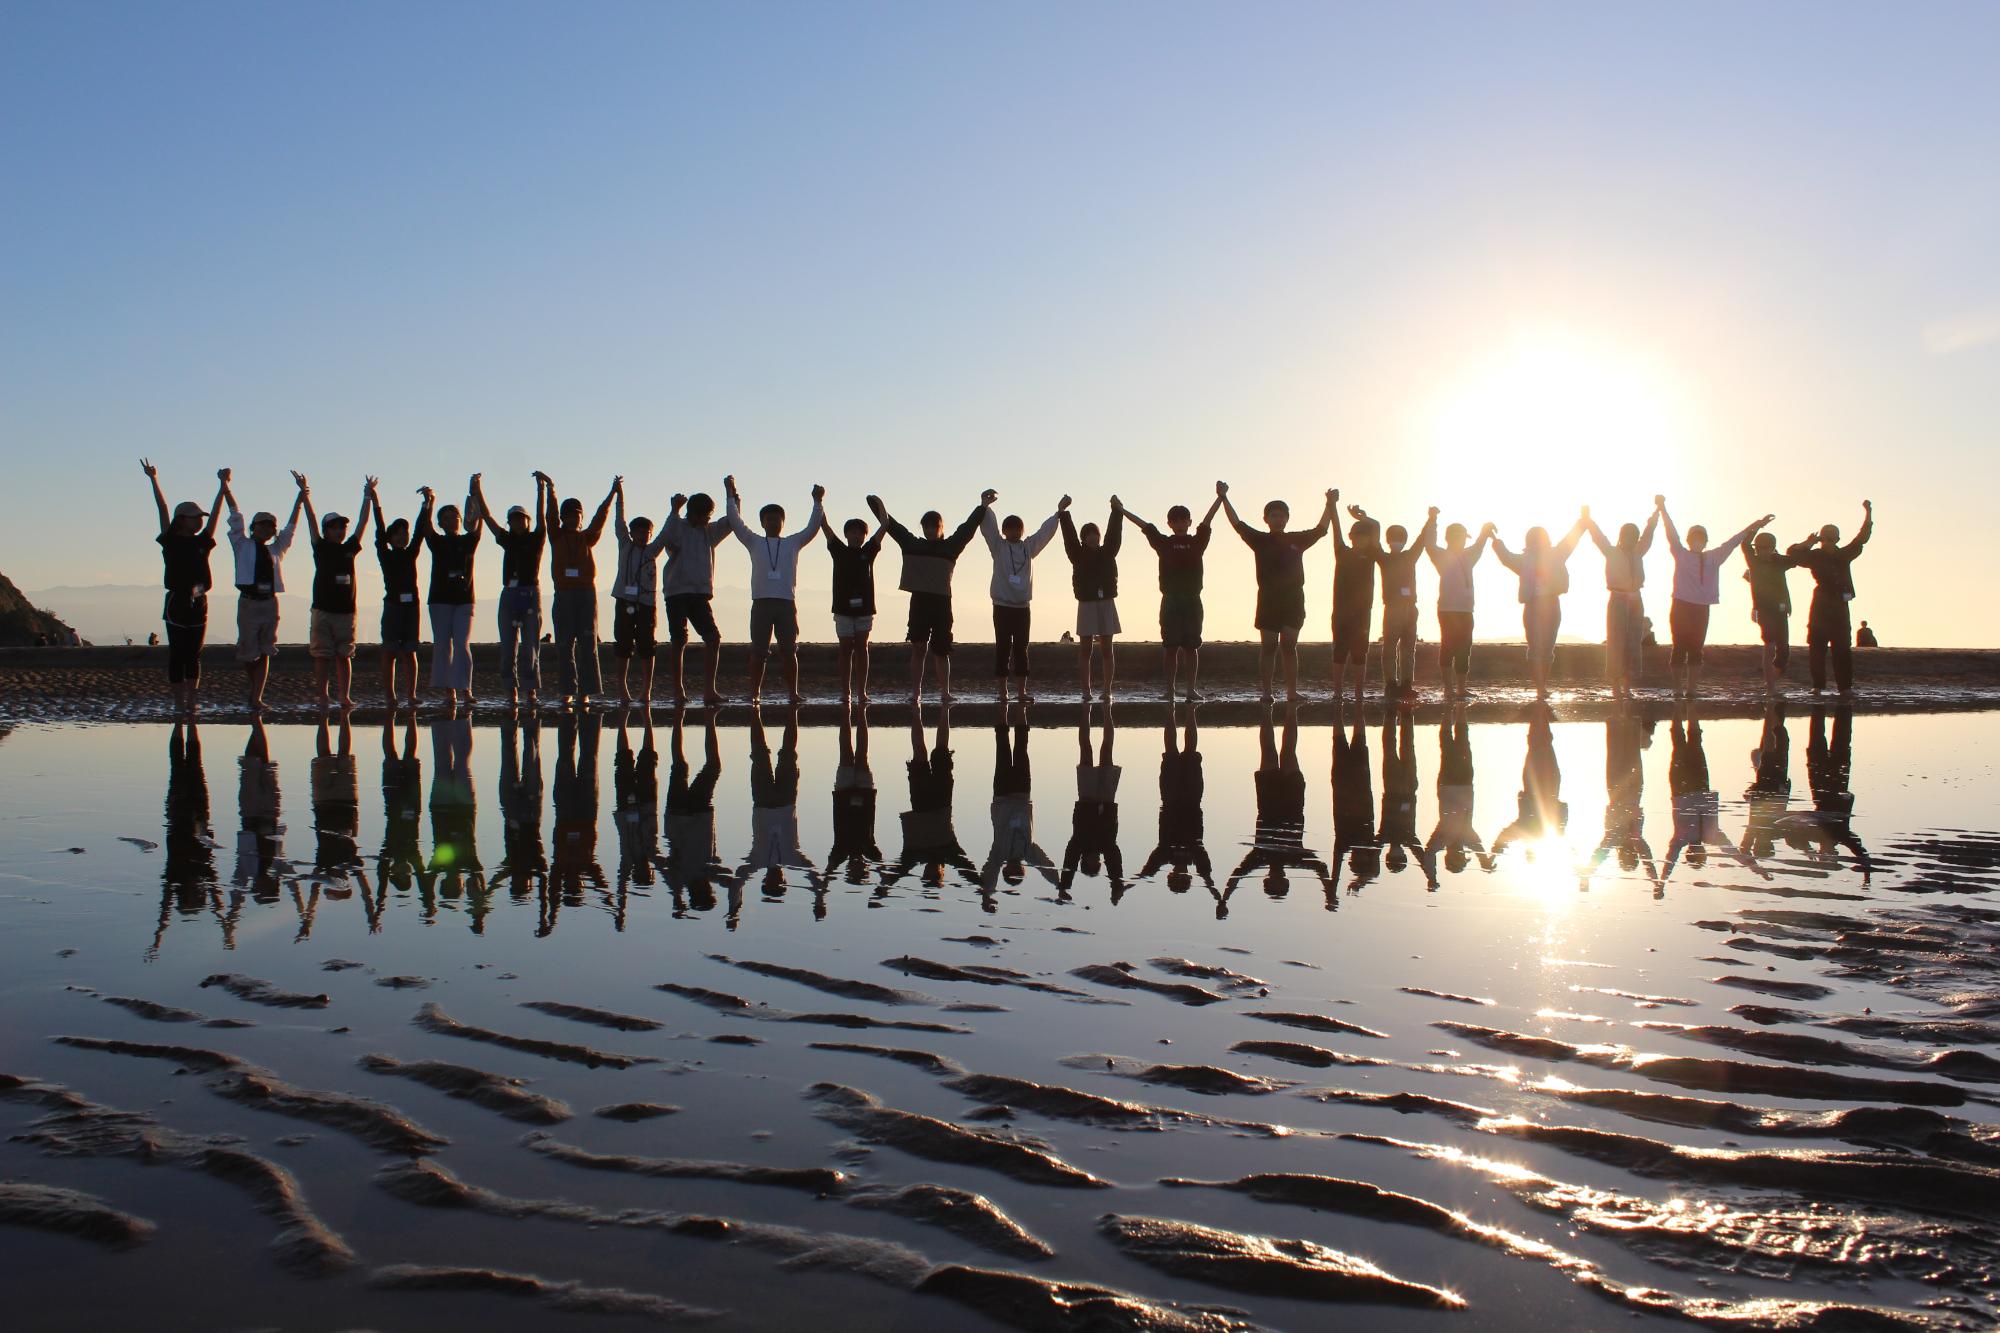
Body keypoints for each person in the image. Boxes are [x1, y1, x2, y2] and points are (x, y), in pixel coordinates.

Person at [868, 490, 992, 704]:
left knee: (941, 650)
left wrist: (982, 505)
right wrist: (876, 503)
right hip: (919, 602)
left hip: (942, 603)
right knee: (918, 647)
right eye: (927, 527)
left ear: (940, 528)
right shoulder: (912, 544)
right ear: (923, 528)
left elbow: (967, 529)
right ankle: (916, 693)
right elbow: (892, 526)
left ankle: (945, 692)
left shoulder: (950, 547)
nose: (930, 530)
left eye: (934, 527)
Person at [1219, 482, 1336, 703]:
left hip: (1293, 600)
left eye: (1282, 516)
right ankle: (1267, 692)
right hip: (1268, 600)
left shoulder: (1296, 540)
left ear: (1287, 518)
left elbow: (1321, 529)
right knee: (1269, 647)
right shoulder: (1259, 540)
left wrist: (1329, 504)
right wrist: (1224, 498)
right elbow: (1237, 523)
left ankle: (1292, 691)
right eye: (1273, 515)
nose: (1278, 519)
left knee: (1289, 647)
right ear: (1266, 519)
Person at [1658, 497, 1772, 700]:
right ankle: (1677, 689)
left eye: (1701, 538)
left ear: (1706, 541)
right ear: (1688, 539)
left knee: (1696, 650)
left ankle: (1691, 689)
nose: (1697, 541)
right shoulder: (1681, 554)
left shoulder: (1715, 557)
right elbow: (1670, 532)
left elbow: (1735, 540)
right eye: (1694, 537)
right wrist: (1662, 508)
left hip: (1702, 608)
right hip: (1681, 605)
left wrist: (1757, 525)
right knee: (1679, 647)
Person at [725, 475, 825, 706]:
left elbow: (812, 528)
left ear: (783, 521)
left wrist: (818, 502)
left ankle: (793, 693)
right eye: (768, 519)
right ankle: (754, 693)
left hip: (786, 603)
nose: (772, 523)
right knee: (758, 651)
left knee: (789, 651)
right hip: (761, 603)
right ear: (762, 522)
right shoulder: (753, 541)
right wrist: (730, 494)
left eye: (777, 519)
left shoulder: (792, 542)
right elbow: (735, 521)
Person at [1225, 705, 1333, 909]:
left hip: (1269, 799)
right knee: (1288, 750)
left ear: (1265, 880)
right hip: (1293, 800)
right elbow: (1321, 868)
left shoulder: (1259, 856)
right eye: (1280, 883)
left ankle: (1267, 710)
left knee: (1268, 750)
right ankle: (1292, 709)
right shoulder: (1296, 858)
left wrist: (1225, 899)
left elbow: (1237, 874)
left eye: (1272, 882)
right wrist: (1328, 892)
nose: (1276, 878)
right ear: (1286, 881)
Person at [142, 459, 226, 715]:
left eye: (200, 518)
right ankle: (179, 701)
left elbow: (216, 517)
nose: (199, 521)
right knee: (177, 653)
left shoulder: (203, 541)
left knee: (194, 654)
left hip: (200, 600)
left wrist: (222, 487)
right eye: (194, 518)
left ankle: (192, 700)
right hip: (177, 600)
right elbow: (162, 507)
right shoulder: (170, 540)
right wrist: (154, 479)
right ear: (182, 520)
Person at [220, 469, 306, 712]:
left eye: (270, 527)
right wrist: (226, 487)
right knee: (249, 652)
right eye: (262, 526)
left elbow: (291, 528)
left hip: (269, 603)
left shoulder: (276, 550)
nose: (267, 530)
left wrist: (300, 498)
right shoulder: (242, 545)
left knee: (266, 649)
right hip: (248, 602)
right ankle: (254, 688)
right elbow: (235, 516)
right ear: (254, 527)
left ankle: (257, 695)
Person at [1124, 494, 1223, 701]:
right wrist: (1121, 509)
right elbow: (1145, 526)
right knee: (1170, 647)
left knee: (1191, 647)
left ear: (1189, 522)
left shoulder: (1197, 541)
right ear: (1169, 524)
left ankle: (1190, 690)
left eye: (1183, 520)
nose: (1179, 524)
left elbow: (1208, 520)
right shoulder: (1163, 543)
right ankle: (1169, 690)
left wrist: (1220, 497)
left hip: (1192, 600)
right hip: (1170, 600)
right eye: (1175, 520)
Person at [1491, 511, 1590, 701]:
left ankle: (1542, 685)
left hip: (1551, 603)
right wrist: (1494, 539)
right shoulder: (1524, 560)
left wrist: (1582, 522)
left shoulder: (1555, 555)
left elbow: (1571, 540)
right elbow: (1505, 557)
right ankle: (1540, 687)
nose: (1538, 543)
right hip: (1534, 605)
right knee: (1536, 647)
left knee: (1547, 648)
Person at [979, 494, 1066, 703]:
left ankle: (1021, 692)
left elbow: (1044, 533)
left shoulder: (1028, 548)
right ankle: (1002, 692)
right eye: (1009, 528)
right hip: (1001, 606)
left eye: (1017, 529)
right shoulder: (998, 547)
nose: (1013, 532)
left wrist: (1059, 512)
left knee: (1021, 648)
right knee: (1002, 647)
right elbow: (988, 529)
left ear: (1021, 530)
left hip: (1022, 607)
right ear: (1004, 530)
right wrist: (984, 506)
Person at [543, 472, 619, 709]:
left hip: (586, 594)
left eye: (577, 516)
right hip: (564, 594)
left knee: (588, 644)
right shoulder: (556, 536)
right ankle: (566, 690)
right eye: (569, 515)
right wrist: (550, 490)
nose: (573, 519)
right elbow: (550, 516)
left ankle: (585, 692)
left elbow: (600, 516)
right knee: (564, 645)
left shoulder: (588, 538)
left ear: (581, 518)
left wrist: (613, 493)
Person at [299, 474, 374, 713]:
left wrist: (367, 497)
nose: (341, 530)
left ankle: (344, 696)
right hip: (322, 609)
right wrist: (304, 494)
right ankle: (323, 696)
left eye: (342, 526)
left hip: (346, 611)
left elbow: (362, 524)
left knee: (345, 656)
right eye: (336, 527)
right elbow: (310, 520)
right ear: (327, 530)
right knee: (322, 656)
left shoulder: (350, 548)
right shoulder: (320, 547)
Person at [881, 709, 979, 890]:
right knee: (941, 750)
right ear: (942, 874)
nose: (930, 873)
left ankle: (915, 710)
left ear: (924, 873)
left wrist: (883, 889)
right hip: (942, 797)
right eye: (935, 877)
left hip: (920, 798)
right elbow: (967, 871)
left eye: (927, 876)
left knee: (919, 752)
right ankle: (944, 707)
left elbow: (899, 871)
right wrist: (983, 891)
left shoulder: (915, 855)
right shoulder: (950, 854)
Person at [473, 473, 548, 708]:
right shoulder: (506, 539)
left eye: (520, 519)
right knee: (508, 647)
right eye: (513, 519)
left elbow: (541, 517)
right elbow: (487, 517)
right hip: (508, 594)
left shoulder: (536, 538)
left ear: (526, 521)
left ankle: (530, 690)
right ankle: (510, 690)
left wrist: (541, 490)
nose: (517, 522)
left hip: (530, 593)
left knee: (530, 647)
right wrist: (477, 490)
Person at [1787, 502, 1873, 697]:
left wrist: (1868, 513)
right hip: (1820, 605)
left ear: (1837, 538)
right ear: (1821, 539)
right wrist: (1809, 542)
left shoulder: (1844, 555)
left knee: (1842, 647)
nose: (1829, 540)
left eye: (1832, 537)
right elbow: (1792, 553)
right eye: (1825, 537)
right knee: (1817, 647)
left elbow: (1862, 538)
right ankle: (1817, 686)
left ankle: (1845, 687)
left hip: (1840, 605)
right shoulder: (1814, 556)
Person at [413, 477, 484, 711]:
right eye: (446, 518)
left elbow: (479, 517)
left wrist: (475, 492)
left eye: (455, 517)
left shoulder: (469, 541)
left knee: (462, 644)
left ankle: (466, 690)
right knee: (443, 644)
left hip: (465, 600)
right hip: (440, 600)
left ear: (461, 520)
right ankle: (449, 692)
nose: (451, 520)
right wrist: (429, 502)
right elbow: (425, 528)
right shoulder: (437, 542)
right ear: (441, 523)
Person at [660, 488, 733, 706]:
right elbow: (667, 539)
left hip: (699, 594)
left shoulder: (708, 532)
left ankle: (709, 690)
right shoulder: (678, 527)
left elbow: (731, 521)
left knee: (713, 638)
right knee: (679, 640)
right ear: (693, 513)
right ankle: (678, 691)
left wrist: (731, 494)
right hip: (676, 592)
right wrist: (674, 511)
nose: (707, 519)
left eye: (709, 516)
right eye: (704, 515)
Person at [980, 710, 1057, 906]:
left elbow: (990, 871)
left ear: (1005, 870)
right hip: (1022, 794)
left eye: (1010, 873)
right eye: (1018, 873)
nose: (1014, 870)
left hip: (1002, 794)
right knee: (1021, 748)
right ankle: (1021, 709)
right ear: (1023, 870)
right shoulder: (1029, 852)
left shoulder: (999, 853)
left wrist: (987, 895)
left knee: (1002, 747)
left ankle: (1002, 705)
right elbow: (1045, 866)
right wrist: (1060, 885)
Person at [1584, 505, 1658, 704]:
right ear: (1621, 536)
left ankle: (1627, 687)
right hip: (1617, 598)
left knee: (1633, 642)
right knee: (1616, 641)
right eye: (1628, 536)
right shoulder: (1611, 551)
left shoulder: (1638, 552)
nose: (1631, 540)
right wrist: (1588, 520)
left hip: (1635, 599)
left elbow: (1648, 536)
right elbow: (1598, 537)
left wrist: (1656, 514)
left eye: (1634, 536)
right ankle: (1615, 687)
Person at [1138, 706, 1213, 896]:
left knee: (1171, 751)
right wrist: (1218, 898)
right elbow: (1207, 878)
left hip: (1171, 797)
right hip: (1192, 798)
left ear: (1170, 875)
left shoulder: (1165, 854)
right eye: (1183, 878)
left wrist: (1123, 887)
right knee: (1190, 750)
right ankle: (1190, 711)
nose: (1180, 873)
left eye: (1176, 878)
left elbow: (1147, 872)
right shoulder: (1196, 855)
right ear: (1189, 877)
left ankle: (1171, 710)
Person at [610, 478, 672, 706]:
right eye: (640, 531)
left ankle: (646, 690)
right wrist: (619, 493)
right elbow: (619, 520)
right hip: (624, 600)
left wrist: (674, 510)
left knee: (647, 646)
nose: (644, 536)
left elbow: (666, 532)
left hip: (646, 603)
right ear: (633, 532)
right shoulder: (625, 545)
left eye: (647, 532)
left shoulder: (653, 550)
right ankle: (622, 688)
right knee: (623, 644)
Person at [1060, 498, 1126, 703]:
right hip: (1086, 603)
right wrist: (1063, 513)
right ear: (1083, 538)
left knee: (1107, 648)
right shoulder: (1077, 554)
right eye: (1087, 535)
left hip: (1106, 601)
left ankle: (1107, 690)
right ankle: (1086, 691)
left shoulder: (1108, 552)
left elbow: (1114, 535)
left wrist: (1116, 511)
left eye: (1094, 534)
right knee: (1085, 649)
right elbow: (1069, 537)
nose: (1092, 537)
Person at [819, 509, 887, 706]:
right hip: (842, 608)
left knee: (862, 646)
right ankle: (845, 691)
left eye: (860, 532)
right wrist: (819, 502)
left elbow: (884, 525)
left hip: (864, 608)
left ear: (864, 535)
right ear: (847, 534)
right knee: (845, 648)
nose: (856, 536)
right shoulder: (838, 550)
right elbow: (825, 525)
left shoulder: (869, 551)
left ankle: (861, 692)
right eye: (852, 532)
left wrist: (879, 507)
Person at [663, 712, 728, 918]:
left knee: (700, 766)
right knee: (683, 765)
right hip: (685, 813)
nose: (708, 887)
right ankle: (687, 719)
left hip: (689, 813)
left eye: (707, 891)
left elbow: (735, 884)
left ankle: (702, 719)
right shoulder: (686, 878)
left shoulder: (699, 875)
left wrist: (735, 909)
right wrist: (678, 903)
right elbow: (734, 883)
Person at [368, 481, 425, 709]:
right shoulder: (385, 554)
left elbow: (420, 533)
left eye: (404, 534)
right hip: (392, 606)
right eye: (398, 534)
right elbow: (380, 530)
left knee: (410, 652)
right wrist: (376, 502)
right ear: (391, 539)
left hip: (412, 607)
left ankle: (411, 695)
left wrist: (426, 506)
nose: (402, 537)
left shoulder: (411, 553)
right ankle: (390, 695)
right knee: (390, 652)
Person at [1060, 710, 1126, 902]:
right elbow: (1115, 865)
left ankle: (1085, 710)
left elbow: (1069, 863)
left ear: (1085, 861)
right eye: (1098, 864)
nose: (1097, 861)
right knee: (1107, 750)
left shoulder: (1078, 844)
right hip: (1106, 798)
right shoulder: (1108, 848)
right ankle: (1107, 710)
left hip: (1087, 797)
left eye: (1093, 863)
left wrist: (1064, 886)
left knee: (1086, 750)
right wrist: (1117, 887)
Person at [1373, 509, 1438, 705]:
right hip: (1392, 608)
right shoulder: (1384, 558)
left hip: (1410, 608)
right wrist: (1365, 519)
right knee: (1390, 648)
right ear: (1388, 540)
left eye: (1400, 537)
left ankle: (1406, 684)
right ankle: (1391, 684)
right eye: (1393, 537)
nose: (1396, 540)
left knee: (1409, 649)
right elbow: (1375, 542)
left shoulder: (1410, 556)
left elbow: (1421, 539)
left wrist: (1431, 519)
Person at [1424, 519, 1493, 700]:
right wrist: (1432, 521)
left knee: (1464, 649)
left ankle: (1461, 689)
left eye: (1463, 538)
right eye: (1460, 538)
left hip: (1466, 610)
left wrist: (1485, 530)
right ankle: (1448, 689)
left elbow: (1479, 545)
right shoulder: (1441, 555)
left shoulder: (1468, 555)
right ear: (1451, 539)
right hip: (1448, 609)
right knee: (1448, 646)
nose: (1463, 542)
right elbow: (1429, 544)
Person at [1425, 709, 1493, 876]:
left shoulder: (1447, 839)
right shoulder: (1461, 839)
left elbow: (1429, 855)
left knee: (1458, 741)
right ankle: (1455, 706)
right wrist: (1484, 861)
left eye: (1461, 857)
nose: (1462, 853)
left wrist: (1432, 878)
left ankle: (1454, 706)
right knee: (1451, 742)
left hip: (1458, 783)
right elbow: (1429, 855)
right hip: (1456, 783)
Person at [1328, 505, 1382, 706]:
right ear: (1351, 537)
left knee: (1360, 652)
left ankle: (1359, 693)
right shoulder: (1342, 552)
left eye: (1364, 536)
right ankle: (1338, 692)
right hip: (1341, 611)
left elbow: (1376, 526)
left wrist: (1363, 517)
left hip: (1362, 612)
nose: (1360, 539)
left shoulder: (1372, 555)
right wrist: (1333, 507)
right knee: (1340, 651)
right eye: (1357, 536)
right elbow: (1336, 531)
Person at [827, 710, 883, 891]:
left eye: (854, 871)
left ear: (848, 869)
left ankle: (846, 712)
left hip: (843, 793)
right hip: (865, 793)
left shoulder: (840, 853)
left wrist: (821, 899)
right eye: (863, 871)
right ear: (867, 868)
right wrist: (882, 891)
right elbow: (885, 875)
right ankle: (862, 712)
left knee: (845, 753)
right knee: (862, 755)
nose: (858, 867)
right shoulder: (870, 852)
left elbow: (828, 874)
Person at [1742, 531, 1798, 696]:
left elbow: (1795, 558)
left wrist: (1808, 543)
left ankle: (1772, 680)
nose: (1763, 551)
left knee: (1783, 652)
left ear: (1773, 549)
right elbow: (1745, 544)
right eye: (1759, 548)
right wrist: (1759, 525)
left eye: (1766, 548)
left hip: (1781, 611)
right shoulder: (1754, 562)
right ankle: (1770, 688)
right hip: (1764, 611)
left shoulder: (1779, 562)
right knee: (1769, 645)